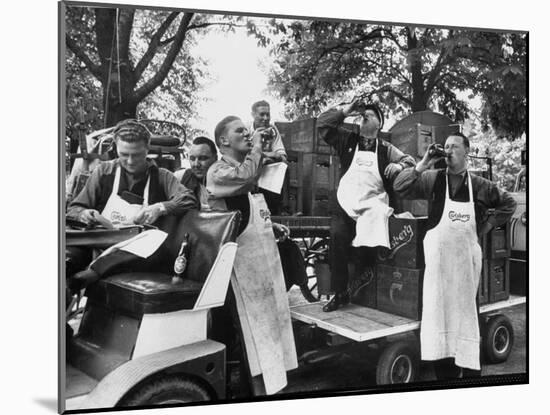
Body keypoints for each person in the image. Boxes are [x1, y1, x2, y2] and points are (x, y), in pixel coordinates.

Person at [393, 132, 517, 379]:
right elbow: (399, 186)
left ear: (466, 152)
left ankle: (471, 379)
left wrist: (487, 226)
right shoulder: (432, 179)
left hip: (465, 276)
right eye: (445, 146)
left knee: (467, 326)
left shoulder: (481, 186)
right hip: (439, 277)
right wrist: (422, 164)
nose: (448, 150)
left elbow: (509, 204)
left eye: (453, 146)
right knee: (440, 326)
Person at [66, 119, 198, 288]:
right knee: (65, 259)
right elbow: (75, 208)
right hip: (99, 241)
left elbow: (188, 199)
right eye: (124, 155)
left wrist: (160, 208)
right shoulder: (104, 171)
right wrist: (85, 214)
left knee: (155, 240)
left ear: (147, 150)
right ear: (116, 149)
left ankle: (89, 275)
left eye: (136, 155)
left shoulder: (162, 177)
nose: (129, 161)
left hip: (134, 249)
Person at [317, 99, 416, 312]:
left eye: (369, 115)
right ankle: (340, 292)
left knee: (371, 246)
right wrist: (348, 110)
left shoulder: (387, 149)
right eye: (362, 115)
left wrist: (398, 165)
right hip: (346, 202)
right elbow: (323, 125)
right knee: (338, 237)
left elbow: (411, 162)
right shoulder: (346, 139)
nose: (364, 117)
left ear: (379, 123)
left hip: (373, 204)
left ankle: (370, 292)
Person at [248, 100, 288, 214]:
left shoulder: (273, 130)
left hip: (268, 166)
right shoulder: (246, 129)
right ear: (253, 115)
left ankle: (282, 208)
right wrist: (265, 156)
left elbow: (282, 155)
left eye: (268, 114)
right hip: (250, 166)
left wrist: (267, 157)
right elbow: (244, 154)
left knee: (283, 167)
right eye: (262, 114)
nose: (265, 118)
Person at [174, 136, 218, 210]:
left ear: (215, 158)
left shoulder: (227, 182)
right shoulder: (180, 177)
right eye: (192, 159)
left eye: (203, 158)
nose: (196, 164)